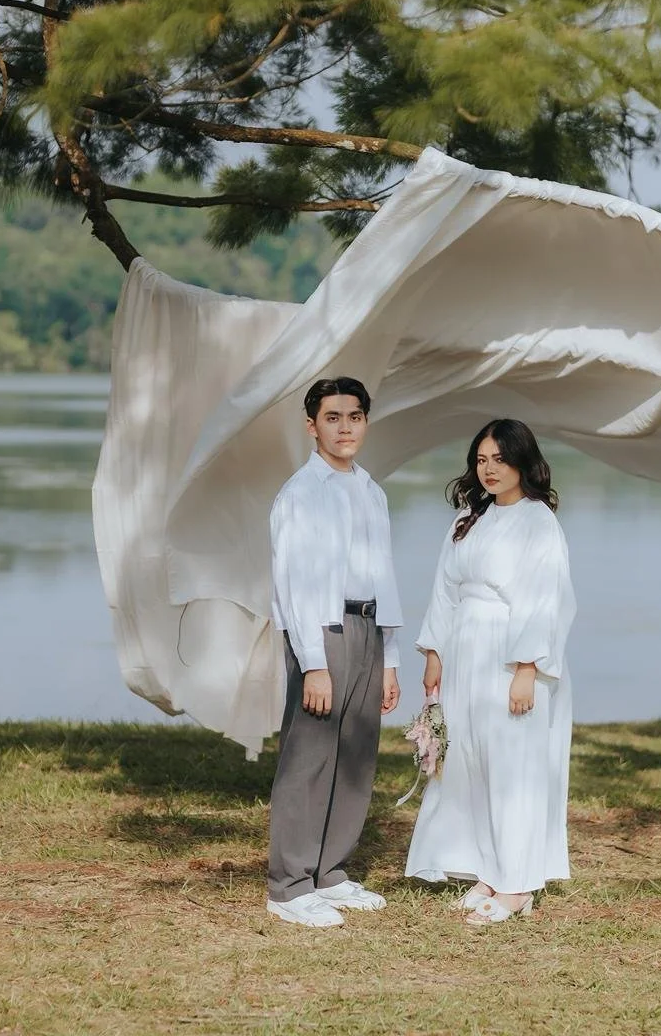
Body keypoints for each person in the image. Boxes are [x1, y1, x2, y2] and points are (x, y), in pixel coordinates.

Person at [405, 418, 576, 926]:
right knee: (472, 761)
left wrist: (527, 668)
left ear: (522, 461)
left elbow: (546, 598)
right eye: (481, 460)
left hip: (509, 652)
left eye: (500, 459)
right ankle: (490, 869)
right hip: (464, 649)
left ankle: (518, 883)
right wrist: (434, 651)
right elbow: (444, 587)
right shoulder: (468, 517)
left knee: (513, 764)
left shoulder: (537, 520)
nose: (489, 469)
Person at [265, 376, 403, 927]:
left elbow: (385, 575)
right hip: (323, 629)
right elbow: (294, 583)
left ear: (365, 422)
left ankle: (330, 874)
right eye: (332, 418)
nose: (344, 427)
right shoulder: (302, 493)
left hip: (369, 628)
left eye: (354, 417)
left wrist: (390, 660)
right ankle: (289, 885)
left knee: (356, 753)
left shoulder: (371, 489)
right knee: (310, 754)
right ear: (312, 426)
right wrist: (314, 663)